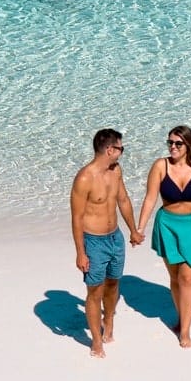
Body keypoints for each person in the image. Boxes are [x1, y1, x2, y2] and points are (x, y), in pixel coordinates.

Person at [135, 124, 191, 348]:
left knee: (188, 277)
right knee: (175, 277)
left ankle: (185, 330)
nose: (172, 147)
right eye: (170, 143)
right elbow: (150, 198)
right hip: (168, 226)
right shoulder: (160, 166)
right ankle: (181, 317)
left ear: (188, 145)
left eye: (177, 143)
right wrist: (139, 229)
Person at [70, 128, 139, 358]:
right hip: (94, 242)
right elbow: (77, 218)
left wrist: (133, 230)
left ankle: (108, 319)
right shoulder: (84, 178)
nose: (122, 152)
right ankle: (96, 341)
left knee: (113, 284)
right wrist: (81, 252)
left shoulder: (116, 170)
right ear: (110, 150)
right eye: (121, 148)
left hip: (115, 237)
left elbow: (123, 199)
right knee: (94, 291)